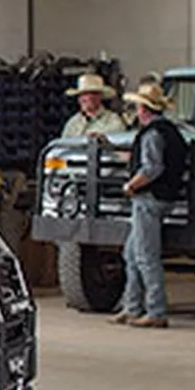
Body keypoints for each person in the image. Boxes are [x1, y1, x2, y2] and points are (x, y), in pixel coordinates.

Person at [115, 80, 187, 329]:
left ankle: (155, 310)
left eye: (137, 107)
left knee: (145, 255)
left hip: (149, 198)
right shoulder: (170, 132)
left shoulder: (152, 134)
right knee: (132, 253)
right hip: (162, 197)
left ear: (144, 110)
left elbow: (152, 167)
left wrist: (131, 185)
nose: (136, 112)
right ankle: (131, 306)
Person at [55, 72, 127, 305]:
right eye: (82, 95)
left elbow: (121, 152)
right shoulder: (73, 124)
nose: (85, 99)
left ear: (99, 97)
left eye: (90, 95)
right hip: (77, 185)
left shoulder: (114, 122)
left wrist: (103, 142)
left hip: (107, 185)